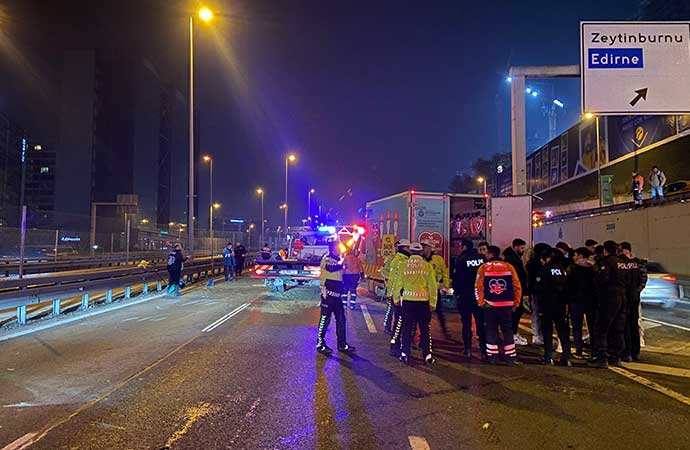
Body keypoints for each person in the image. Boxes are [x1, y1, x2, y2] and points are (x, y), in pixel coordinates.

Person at [392, 242, 438, 365]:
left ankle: (405, 354)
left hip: (408, 302)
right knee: (425, 329)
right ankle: (427, 355)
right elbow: (432, 286)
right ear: (421, 252)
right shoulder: (427, 266)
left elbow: (398, 284)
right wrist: (433, 302)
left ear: (411, 252)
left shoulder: (404, 265)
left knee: (406, 329)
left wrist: (396, 299)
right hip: (423, 303)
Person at [476, 245, 522, 365]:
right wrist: (516, 303)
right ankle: (510, 357)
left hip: (490, 305)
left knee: (491, 330)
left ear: (490, 254)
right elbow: (517, 286)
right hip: (506, 305)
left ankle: (492, 356)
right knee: (507, 330)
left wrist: (481, 302)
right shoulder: (509, 267)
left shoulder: (484, 267)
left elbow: (478, 287)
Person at [588, 240, 627, 368]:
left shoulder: (607, 262)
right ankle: (616, 357)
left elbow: (601, 279)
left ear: (605, 250)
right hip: (622, 296)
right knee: (618, 329)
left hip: (609, 298)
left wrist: (595, 271)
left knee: (601, 329)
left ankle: (601, 358)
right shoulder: (623, 263)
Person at [316, 241, 356, 355]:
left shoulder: (338, 260)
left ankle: (342, 345)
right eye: (337, 248)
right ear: (332, 249)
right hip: (327, 296)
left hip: (337, 297)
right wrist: (343, 264)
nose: (339, 250)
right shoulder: (327, 259)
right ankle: (320, 344)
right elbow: (331, 268)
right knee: (324, 320)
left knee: (341, 320)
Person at [535, 249, 571, 366]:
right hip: (561, 305)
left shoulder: (544, 270)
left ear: (547, 258)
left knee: (547, 331)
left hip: (547, 305)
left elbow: (540, 289)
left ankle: (548, 357)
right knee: (563, 332)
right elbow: (567, 289)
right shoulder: (562, 271)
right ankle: (566, 357)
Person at [453, 239, 486, 359]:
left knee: (466, 323)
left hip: (465, 296)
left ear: (464, 247)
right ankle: (483, 350)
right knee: (481, 323)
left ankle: (468, 349)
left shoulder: (461, 259)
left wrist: (457, 293)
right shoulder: (482, 258)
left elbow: (457, 279)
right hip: (479, 296)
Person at [620, 242, 646, 362]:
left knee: (630, 325)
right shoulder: (636, 264)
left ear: (627, 251)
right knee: (630, 325)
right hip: (631, 297)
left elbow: (643, 280)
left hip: (630, 298)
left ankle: (631, 352)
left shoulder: (635, 263)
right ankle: (632, 352)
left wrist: (635, 292)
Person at [567, 247, 597, 357]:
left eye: (575, 255)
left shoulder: (572, 268)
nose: (574, 257)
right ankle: (594, 350)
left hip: (576, 300)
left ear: (580, 255)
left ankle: (578, 350)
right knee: (592, 326)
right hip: (591, 300)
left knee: (576, 326)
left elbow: (568, 284)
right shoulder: (594, 267)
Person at [421, 240, 451, 339]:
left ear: (430, 248)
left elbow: (444, 273)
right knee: (424, 315)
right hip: (423, 291)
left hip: (435, 291)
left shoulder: (438, 260)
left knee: (439, 312)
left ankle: (445, 332)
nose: (423, 249)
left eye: (425, 247)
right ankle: (424, 335)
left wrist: (446, 286)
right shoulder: (421, 260)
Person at [502, 238, 529, 346]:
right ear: (515, 247)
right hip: (515, 291)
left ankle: (514, 333)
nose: (523, 250)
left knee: (516, 313)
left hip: (516, 290)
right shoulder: (513, 259)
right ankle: (512, 335)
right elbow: (518, 277)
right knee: (515, 313)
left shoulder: (513, 258)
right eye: (522, 248)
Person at [386, 240, 411, 355]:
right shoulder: (400, 261)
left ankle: (399, 344)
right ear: (404, 248)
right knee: (399, 322)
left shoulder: (401, 260)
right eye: (408, 247)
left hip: (401, 295)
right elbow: (395, 280)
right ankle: (395, 345)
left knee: (401, 322)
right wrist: (393, 296)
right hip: (400, 295)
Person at [382, 240, 411, 335]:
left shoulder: (407, 259)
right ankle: (387, 326)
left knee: (398, 312)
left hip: (402, 289)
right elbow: (385, 272)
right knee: (391, 309)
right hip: (393, 288)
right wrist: (390, 290)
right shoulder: (394, 259)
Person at [526, 243, 551, 346]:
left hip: (535, 292)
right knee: (537, 313)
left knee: (536, 313)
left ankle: (537, 335)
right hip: (538, 292)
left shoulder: (531, 263)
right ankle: (537, 336)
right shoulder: (537, 264)